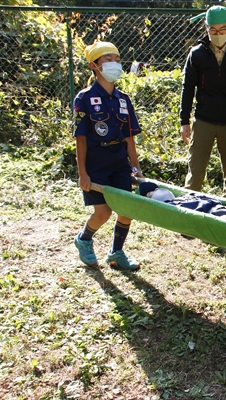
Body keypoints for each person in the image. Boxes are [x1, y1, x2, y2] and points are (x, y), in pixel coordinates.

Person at [72, 41, 144, 271]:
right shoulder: (84, 98)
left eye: (117, 59)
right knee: (103, 212)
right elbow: (80, 139)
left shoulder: (124, 99)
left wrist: (135, 166)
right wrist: (83, 173)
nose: (114, 64)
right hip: (96, 161)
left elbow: (129, 136)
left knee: (126, 210)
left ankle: (116, 253)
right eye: (108, 59)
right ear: (94, 65)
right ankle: (84, 239)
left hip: (119, 161)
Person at [180, 6, 226, 200]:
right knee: (195, 172)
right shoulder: (197, 54)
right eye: (213, 30)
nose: (218, 34)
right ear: (206, 28)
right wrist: (184, 121)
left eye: (222, 29)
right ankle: (189, 214)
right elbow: (188, 88)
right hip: (203, 120)